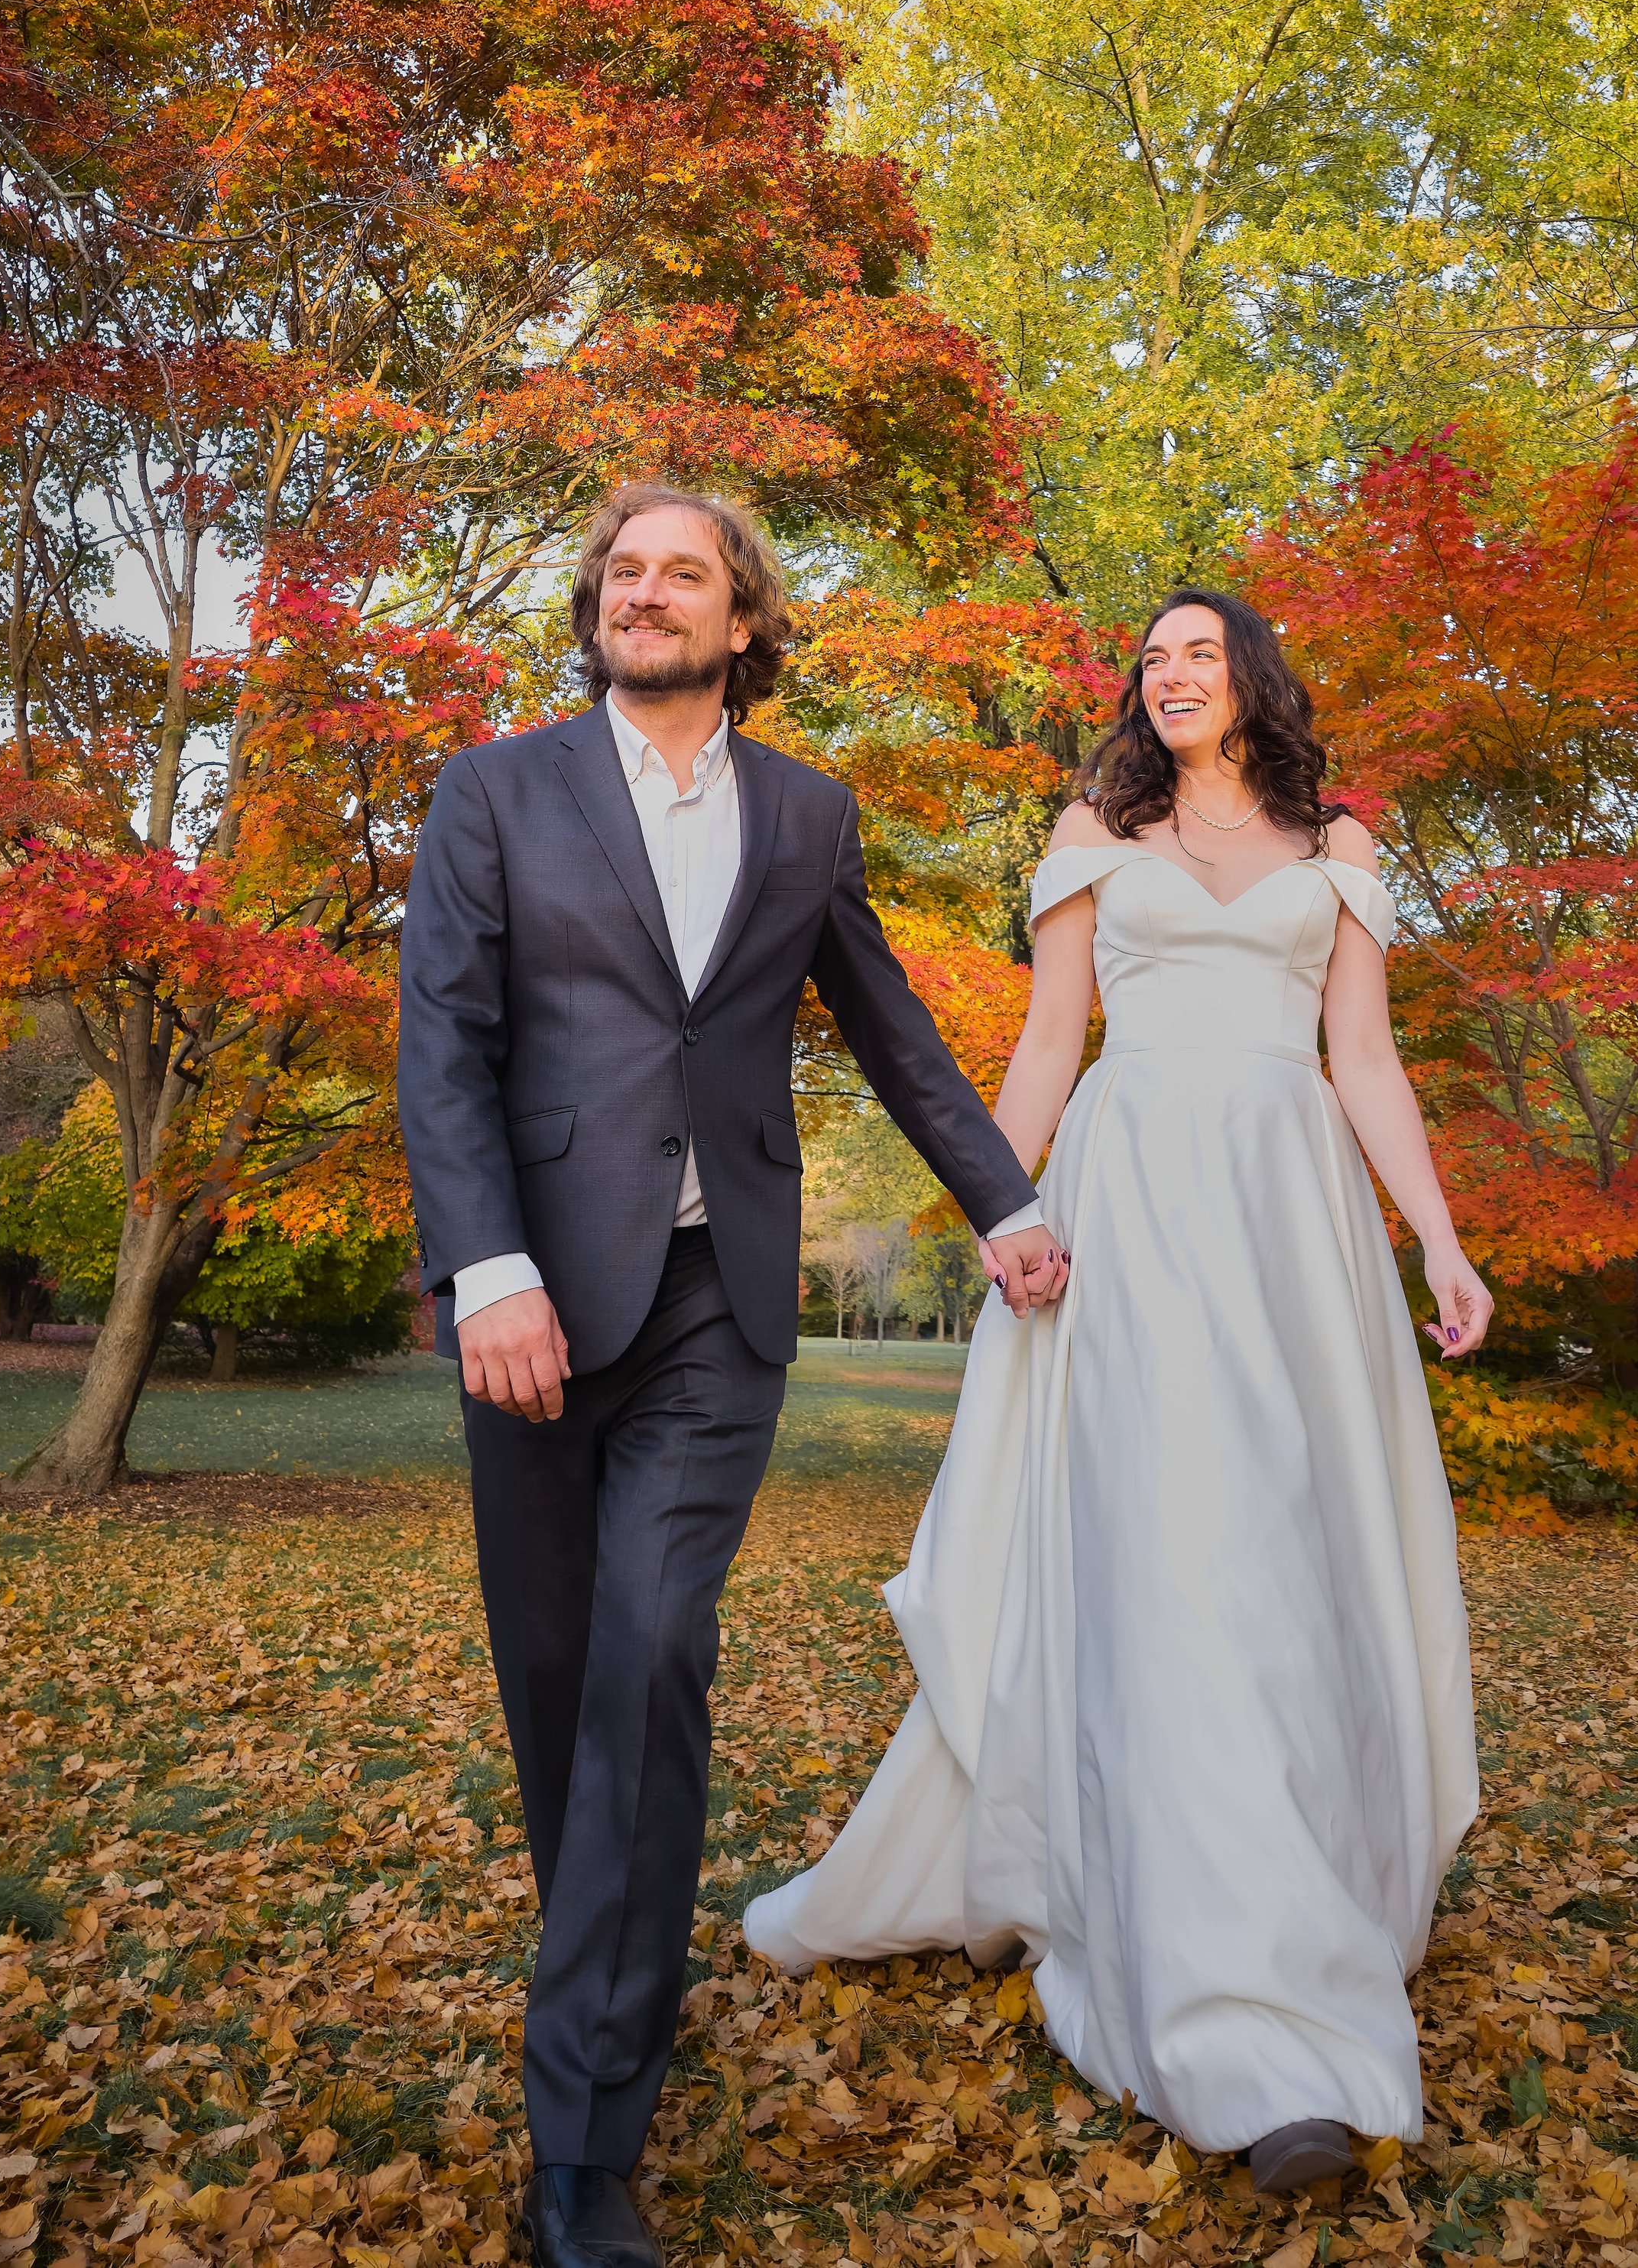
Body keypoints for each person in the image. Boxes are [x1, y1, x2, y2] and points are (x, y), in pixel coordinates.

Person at [397, 486, 1067, 2268]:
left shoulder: (806, 810)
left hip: (717, 1310)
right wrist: (490, 1268)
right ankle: (615, 1970)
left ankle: (581, 2146)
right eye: (619, 567)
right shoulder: (498, 788)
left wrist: (1004, 1203)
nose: (642, 588)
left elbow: (894, 1028)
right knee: (560, 1693)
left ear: (742, 619)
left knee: (646, 1660)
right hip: (531, 1305)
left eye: (679, 569)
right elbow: (445, 1038)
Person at [746, 589, 1487, 2191]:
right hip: (1132, 1215)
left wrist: (1434, 1238)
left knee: (1285, 1562)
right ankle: (1227, 2015)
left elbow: (1361, 1060)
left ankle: (1298, 1898)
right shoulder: (1092, 826)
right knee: (1171, 1561)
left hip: (1292, 1233)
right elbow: (1045, 1046)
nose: (1166, 675)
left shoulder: (1338, 845)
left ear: (1250, 680)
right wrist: (997, 1217)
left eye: (1195, 653)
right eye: (1147, 659)